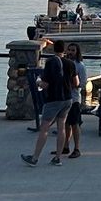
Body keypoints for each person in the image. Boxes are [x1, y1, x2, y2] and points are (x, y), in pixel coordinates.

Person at [22, 39, 72, 167]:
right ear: (64, 50)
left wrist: (38, 82)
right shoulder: (70, 63)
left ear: (54, 49)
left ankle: (34, 158)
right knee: (61, 127)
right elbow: (75, 82)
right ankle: (58, 158)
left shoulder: (50, 62)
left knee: (44, 128)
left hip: (54, 99)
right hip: (67, 98)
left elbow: (45, 84)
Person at [62, 42, 86, 159]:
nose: (70, 52)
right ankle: (65, 146)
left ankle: (77, 149)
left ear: (77, 52)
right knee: (66, 123)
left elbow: (83, 83)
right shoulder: (64, 64)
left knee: (75, 124)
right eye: (69, 50)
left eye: (73, 50)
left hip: (74, 99)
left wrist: (73, 85)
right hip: (64, 98)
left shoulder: (80, 66)